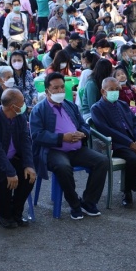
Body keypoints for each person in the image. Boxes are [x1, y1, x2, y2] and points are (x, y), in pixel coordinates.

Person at [30, 72, 108, 220]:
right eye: (55, 88)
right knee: (63, 167)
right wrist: (62, 138)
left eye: (62, 87)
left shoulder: (70, 105)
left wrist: (82, 133)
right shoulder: (39, 110)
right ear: (47, 91)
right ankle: (74, 204)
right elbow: (37, 135)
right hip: (53, 151)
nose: (60, 91)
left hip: (77, 149)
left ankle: (89, 202)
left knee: (102, 161)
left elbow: (84, 125)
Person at [91, 76, 136, 205]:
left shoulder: (123, 104)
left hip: (134, 140)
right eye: (111, 89)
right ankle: (127, 192)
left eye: (117, 89)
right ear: (103, 91)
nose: (115, 92)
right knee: (133, 160)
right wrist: (129, 143)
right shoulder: (97, 108)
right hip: (117, 144)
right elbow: (106, 130)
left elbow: (135, 124)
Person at [0, 88, 37, 228]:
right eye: (22, 102)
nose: (24, 104)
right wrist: (10, 171)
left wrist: (29, 164)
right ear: (12, 107)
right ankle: (4, 214)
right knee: (5, 178)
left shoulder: (19, 116)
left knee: (29, 176)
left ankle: (16, 212)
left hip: (12, 157)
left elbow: (25, 141)